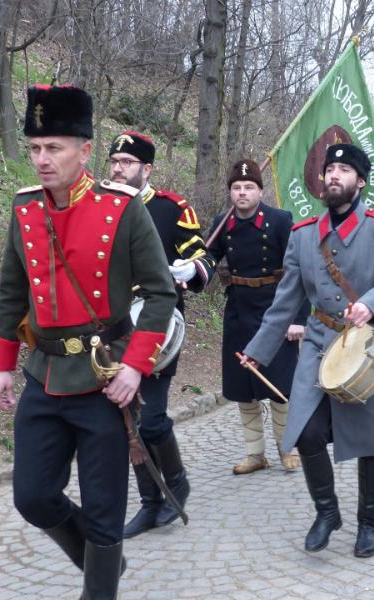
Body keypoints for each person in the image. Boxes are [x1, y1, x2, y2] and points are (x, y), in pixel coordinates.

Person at [0, 85, 178, 598]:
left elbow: (161, 293)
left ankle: (99, 583)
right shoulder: (25, 208)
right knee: (32, 497)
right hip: (44, 376)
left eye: (54, 148)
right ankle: (102, 564)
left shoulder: (122, 207)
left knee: (104, 510)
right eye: (35, 148)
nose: (42, 160)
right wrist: (1, 365)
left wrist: (137, 366)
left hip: (104, 379)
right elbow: (11, 290)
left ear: (84, 150)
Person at [240, 144, 374, 558]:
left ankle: (369, 523)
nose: (334, 175)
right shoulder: (304, 235)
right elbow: (286, 300)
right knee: (306, 432)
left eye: (344, 169)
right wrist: (259, 350)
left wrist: (373, 302)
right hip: (321, 343)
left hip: (368, 343)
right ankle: (327, 513)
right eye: (330, 169)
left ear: (360, 181)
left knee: (372, 439)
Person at [107, 131, 215, 538]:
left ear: (147, 169)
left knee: (151, 420)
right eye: (115, 161)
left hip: (158, 326)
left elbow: (201, 253)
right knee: (128, 421)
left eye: (128, 162)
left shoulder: (172, 208)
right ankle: (151, 502)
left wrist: (193, 269)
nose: (119, 168)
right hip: (114, 329)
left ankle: (177, 483)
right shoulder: (100, 205)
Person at [208, 159, 308, 474]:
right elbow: (208, 259)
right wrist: (192, 268)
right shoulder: (222, 223)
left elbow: (299, 273)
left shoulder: (280, 221)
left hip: (276, 311)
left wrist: (299, 320)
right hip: (238, 309)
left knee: (280, 385)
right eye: (236, 188)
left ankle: (287, 448)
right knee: (242, 387)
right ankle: (255, 454)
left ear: (260, 191)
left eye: (249, 187)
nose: (242, 193)